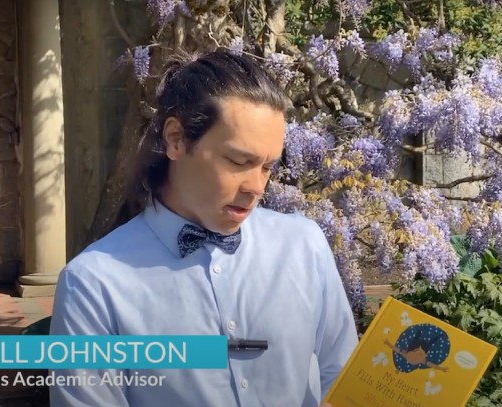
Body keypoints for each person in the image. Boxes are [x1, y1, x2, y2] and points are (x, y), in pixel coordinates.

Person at [48, 48, 358, 407]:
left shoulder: (304, 246)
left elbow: (345, 380)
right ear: (176, 139)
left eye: (268, 167)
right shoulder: (93, 283)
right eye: (239, 161)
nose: (256, 187)